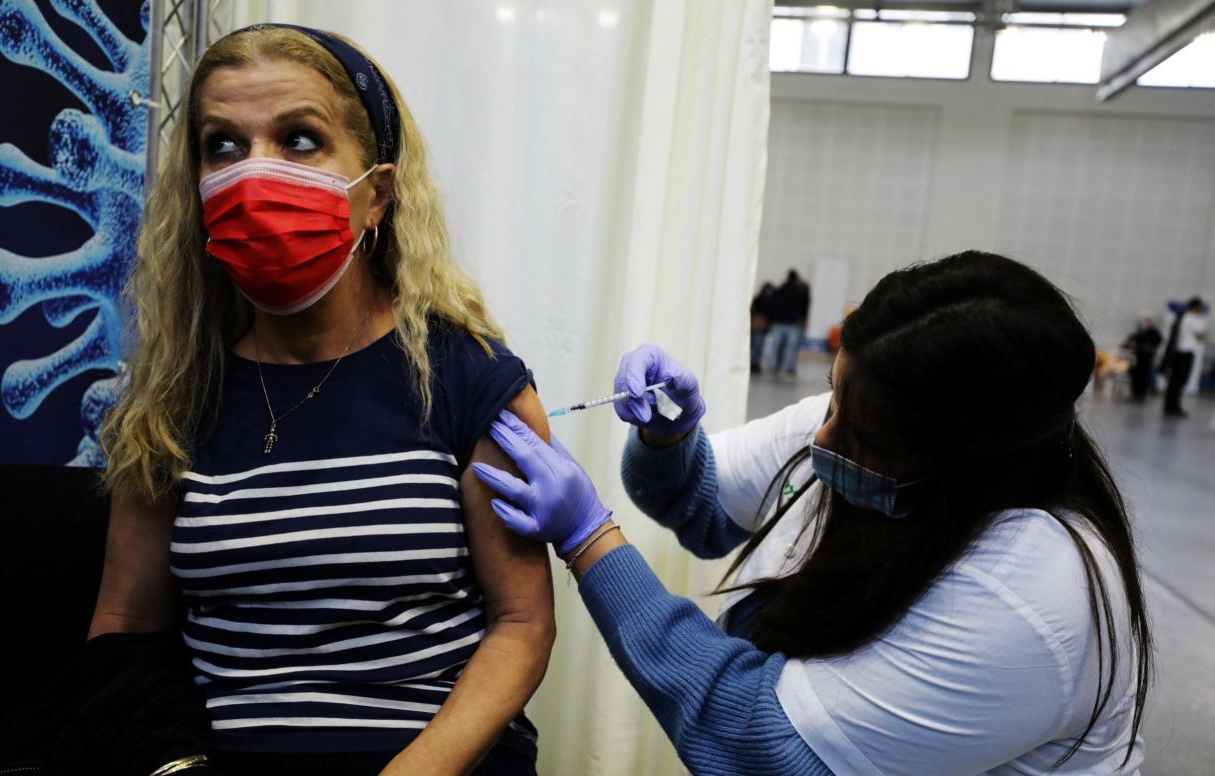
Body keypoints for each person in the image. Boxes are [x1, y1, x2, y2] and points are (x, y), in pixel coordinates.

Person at [472, 252, 1152, 775]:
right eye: (832, 401)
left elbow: (754, 740)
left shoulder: (1035, 599)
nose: (821, 441)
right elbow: (707, 509)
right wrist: (669, 440)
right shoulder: (861, 426)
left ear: (960, 463)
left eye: (861, 436)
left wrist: (592, 539)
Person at [93, 25, 553, 775]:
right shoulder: (172, 395)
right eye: (223, 145)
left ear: (377, 193)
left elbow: (523, 621)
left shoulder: (468, 377)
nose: (253, 175)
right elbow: (124, 626)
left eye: (300, 140)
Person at [1162, 297, 1207, 418]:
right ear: (1196, 307)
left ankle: (1169, 406)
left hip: (1177, 352)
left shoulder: (1183, 317)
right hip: (1186, 353)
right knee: (1180, 381)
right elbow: (1201, 336)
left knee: (1174, 381)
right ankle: (1174, 406)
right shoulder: (1194, 319)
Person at [761, 270, 810, 379]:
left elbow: (771, 305)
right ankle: (787, 369)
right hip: (793, 324)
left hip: (778, 323)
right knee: (790, 348)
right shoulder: (800, 292)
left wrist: (771, 320)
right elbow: (804, 307)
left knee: (774, 347)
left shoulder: (779, 290)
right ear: (796, 278)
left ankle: (771, 367)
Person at [1122, 312, 1162, 402]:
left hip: (1147, 358)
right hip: (1138, 357)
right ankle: (1135, 394)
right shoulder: (1141, 330)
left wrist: (1151, 347)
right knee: (1136, 375)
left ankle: (1141, 395)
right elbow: (1133, 339)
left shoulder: (1153, 331)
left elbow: (1158, 341)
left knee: (1145, 375)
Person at [749, 282, 774, 374]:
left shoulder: (759, 299)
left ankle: (755, 363)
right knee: (757, 346)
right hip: (759, 326)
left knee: (758, 346)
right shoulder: (763, 300)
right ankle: (754, 363)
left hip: (758, 326)